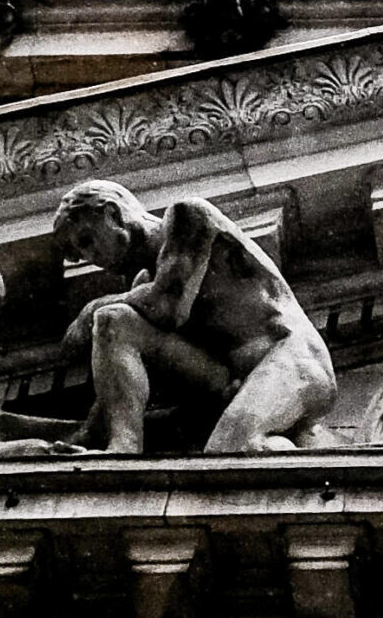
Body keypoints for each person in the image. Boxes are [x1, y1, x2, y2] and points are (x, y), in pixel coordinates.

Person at [53, 180, 335, 453]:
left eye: (87, 240)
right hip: (229, 380)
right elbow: (119, 386)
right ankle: (123, 447)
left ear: (112, 215)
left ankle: (303, 458)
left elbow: (170, 307)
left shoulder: (187, 216)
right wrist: (85, 435)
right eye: (81, 253)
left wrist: (90, 310)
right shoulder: (144, 286)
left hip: (291, 358)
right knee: (114, 321)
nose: (92, 256)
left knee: (230, 450)